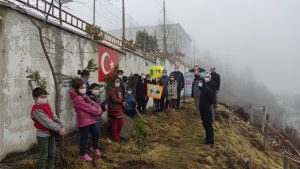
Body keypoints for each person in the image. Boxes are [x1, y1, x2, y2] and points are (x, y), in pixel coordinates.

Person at [31, 87, 66, 169]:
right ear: (35, 98)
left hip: (51, 133)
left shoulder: (46, 104)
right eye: (42, 97)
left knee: (52, 153)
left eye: (45, 96)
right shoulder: (36, 110)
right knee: (44, 156)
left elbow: (54, 116)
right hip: (43, 135)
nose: (44, 99)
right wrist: (59, 129)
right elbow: (47, 122)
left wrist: (61, 126)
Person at [70, 80, 103, 161]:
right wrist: (98, 111)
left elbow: (92, 102)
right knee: (84, 137)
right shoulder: (77, 98)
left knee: (96, 132)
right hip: (84, 120)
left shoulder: (84, 95)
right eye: (82, 88)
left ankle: (95, 147)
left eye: (85, 87)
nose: (84, 89)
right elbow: (88, 108)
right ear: (77, 89)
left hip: (91, 119)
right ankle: (83, 152)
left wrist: (98, 107)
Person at [198, 78, 215, 148]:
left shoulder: (207, 90)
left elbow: (212, 100)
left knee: (208, 126)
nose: (199, 83)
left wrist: (206, 105)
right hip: (202, 111)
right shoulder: (201, 90)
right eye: (198, 82)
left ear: (203, 82)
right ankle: (207, 139)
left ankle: (211, 142)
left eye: (201, 82)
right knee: (205, 125)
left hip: (207, 111)